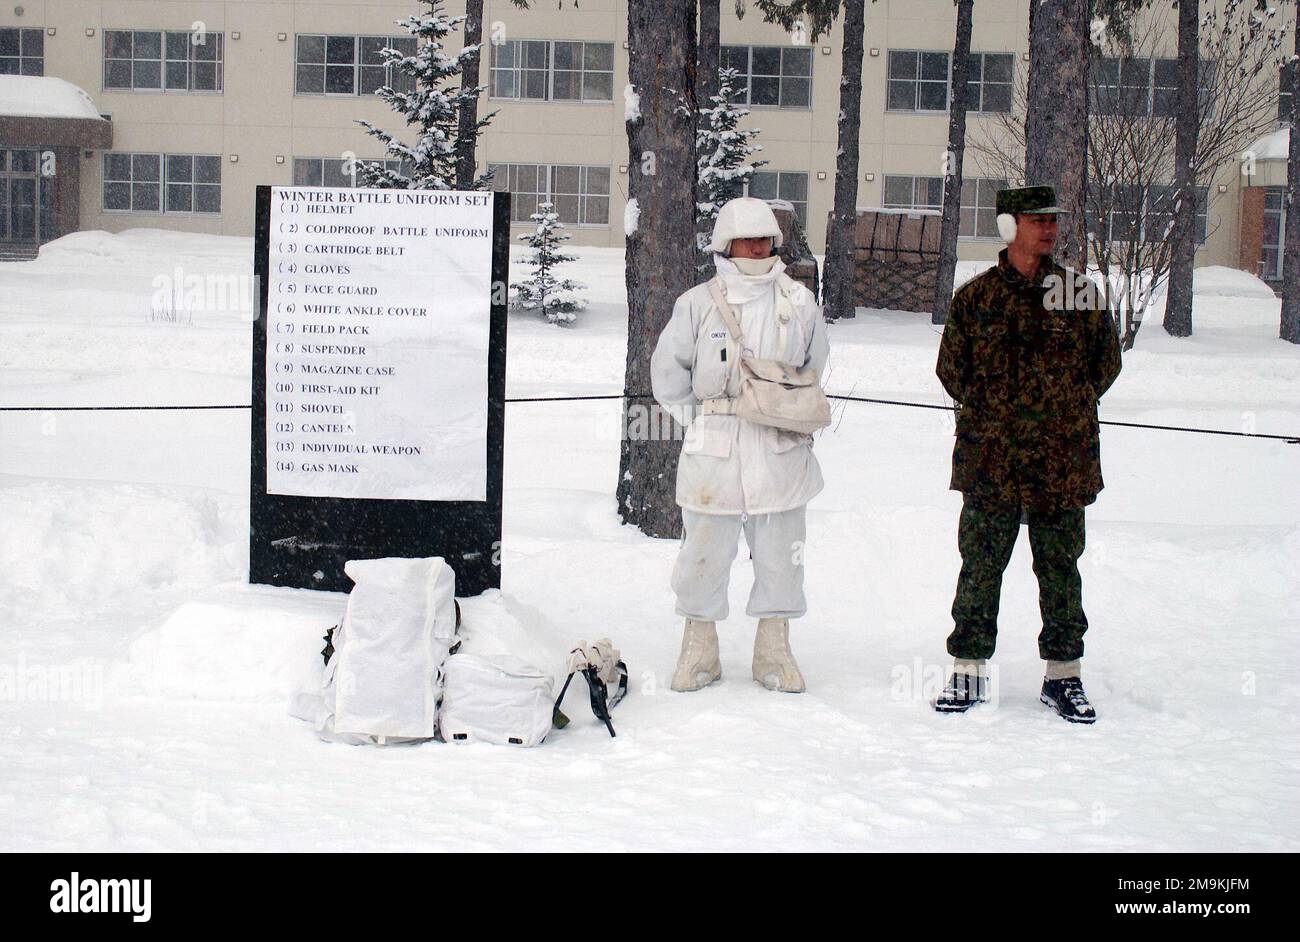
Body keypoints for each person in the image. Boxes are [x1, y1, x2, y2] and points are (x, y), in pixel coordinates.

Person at [934, 185, 1122, 723]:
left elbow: (1103, 366)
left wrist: (1057, 412)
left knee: (1061, 570)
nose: (1049, 229)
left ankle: (1064, 678)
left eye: (1052, 220)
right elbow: (952, 372)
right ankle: (967, 672)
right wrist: (1001, 415)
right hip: (991, 462)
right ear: (1008, 226)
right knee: (980, 568)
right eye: (1036, 220)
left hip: (1061, 464)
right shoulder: (975, 299)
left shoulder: (1079, 295)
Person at [650, 197, 830, 693]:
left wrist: (781, 410)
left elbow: (814, 367)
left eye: (764, 238)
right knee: (703, 550)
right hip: (717, 447)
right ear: (725, 244)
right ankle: (699, 648)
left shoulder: (798, 301)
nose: (756, 247)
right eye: (746, 239)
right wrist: (707, 421)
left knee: (781, 553)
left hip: (778, 445)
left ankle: (774, 649)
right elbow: (668, 374)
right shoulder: (696, 303)